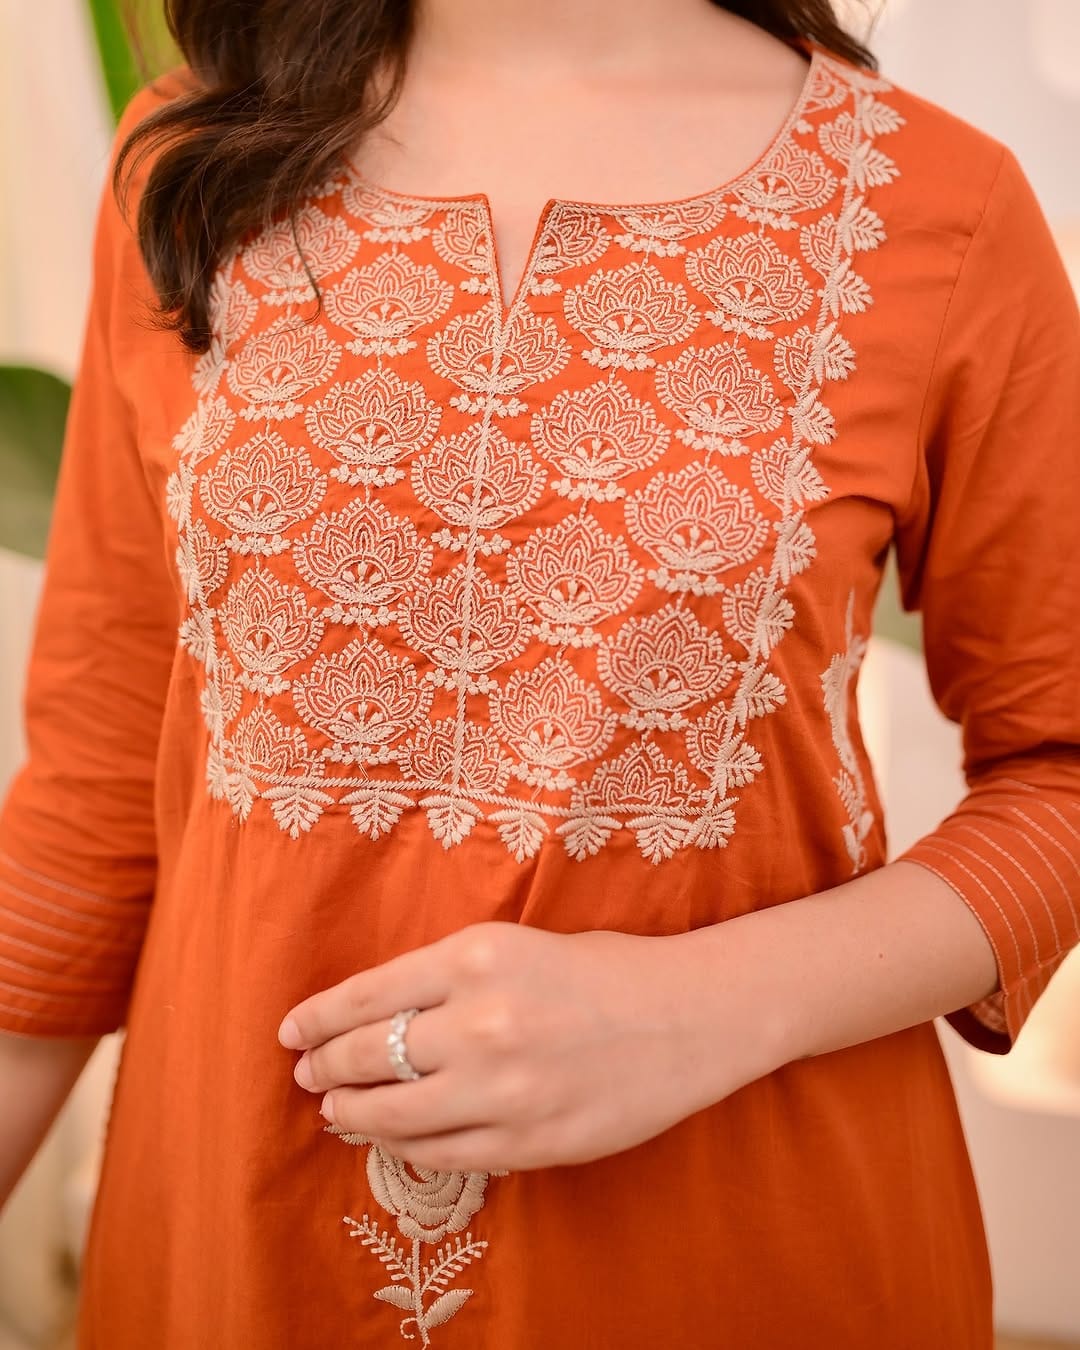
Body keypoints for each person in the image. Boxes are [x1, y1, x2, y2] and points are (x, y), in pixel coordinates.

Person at [1, 1, 1077, 1345]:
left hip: (745, 1254)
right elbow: (97, 793)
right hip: (236, 1260)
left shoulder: (936, 206)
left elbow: (1063, 772)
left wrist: (700, 1009)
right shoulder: (200, 160)